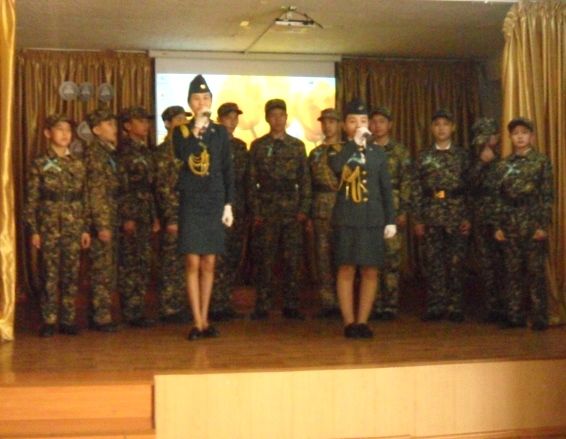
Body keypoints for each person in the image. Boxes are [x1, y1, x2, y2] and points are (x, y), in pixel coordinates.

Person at [172, 74, 235, 341]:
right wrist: (196, 130)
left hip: (213, 200)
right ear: (190, 103)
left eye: (206, 98)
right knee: (192, 261)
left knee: (209, 261)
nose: (202, 102)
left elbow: (227, 168)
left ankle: (205, 319)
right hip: (192, 200)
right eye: (196, 99)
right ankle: (196, 321)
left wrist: (229, 203)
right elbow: (183, 155)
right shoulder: (182, 132)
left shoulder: (220, 132)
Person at [329, 99, 396, 339]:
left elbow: (385, 188)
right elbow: (336, 167)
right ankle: (349, 322)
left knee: (370, 270)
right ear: (344, 125)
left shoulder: (378, 153)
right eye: (353, 121)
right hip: (347, 218)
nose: (359, 125)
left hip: (372, 218)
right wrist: (353, 145)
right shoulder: (338, 150)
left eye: (363, 121)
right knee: (346, 268)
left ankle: (363, 321)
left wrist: (390, 219)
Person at [25, 114, 91, 337]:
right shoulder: (40, 163)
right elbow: (31, 199)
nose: (65, 134)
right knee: (49, 274)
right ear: (48, 133)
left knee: (71, 274)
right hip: (49, 226)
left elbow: (84, 198)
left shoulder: (78, 164)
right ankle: (49, 319)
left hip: (73, 225)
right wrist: (34, 230)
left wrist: (85, 228)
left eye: (68, 130)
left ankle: (68, 319)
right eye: (59, 129)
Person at [247, 99, 311, 320]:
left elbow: (305, 180)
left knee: (292, 259)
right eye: (273, 115)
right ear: (267, 118)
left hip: (292, 209)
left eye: (281, 115)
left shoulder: (297, 145)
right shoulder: (258, 146)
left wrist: (304, 209)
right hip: (266, 208)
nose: (277, 119)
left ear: (286, 118)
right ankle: (262, 305)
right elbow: (251, 182)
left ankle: (291, 305)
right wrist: (256, 211)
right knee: (264, 259)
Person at [412, 109, 471, 322]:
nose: (441, 128)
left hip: (456, 213)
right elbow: (416, 188)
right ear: (431, 128)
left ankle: (455, 306)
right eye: (437, 124)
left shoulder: (463, 156)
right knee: (433, 262)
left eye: (445, 124)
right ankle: (436, 305)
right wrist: (418, 219)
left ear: (453, 127)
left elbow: (470, 189)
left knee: (456, 262)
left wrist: (468, 217)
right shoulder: (423, 156)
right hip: (431, 213)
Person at [494, 117, 554, 331]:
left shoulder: (541, 162)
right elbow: (498, 197)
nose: (520, 137)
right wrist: (498, 226)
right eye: (515, 133)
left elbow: (547, 196)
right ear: (510, 137)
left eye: (524, 133)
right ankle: (514, 314)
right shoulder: (504, 165)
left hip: (532, 222)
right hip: (510, 222)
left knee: (535, 272)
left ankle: (539, 316)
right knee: (512, 272)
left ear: (531, 136)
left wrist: (542, 225)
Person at [117, 107, 159, 327]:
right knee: (131, 263)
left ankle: (138, 309)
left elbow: (150, 187)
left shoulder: (147, 151)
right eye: (140, 121)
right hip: (132, 213)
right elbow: (123, 187)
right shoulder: (124, 152)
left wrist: (154, 216)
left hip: (145, 212)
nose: (145, 125)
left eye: (147, 121)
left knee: (142, 262)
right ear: (127, 125)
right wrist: (127, 216)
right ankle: (130, 311)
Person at [368, 106, 412, 320]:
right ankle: (374, 304)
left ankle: (390, 305)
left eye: (382, 121)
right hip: (369, 209)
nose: (377, 126)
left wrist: (402, 211)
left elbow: (406, 182)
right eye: (374, 121)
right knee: (371, 258)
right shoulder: (364, 149)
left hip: (391, 208)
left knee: (391, 259)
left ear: (390, 125)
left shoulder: (400, 151)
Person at [209, 102, 249, 321]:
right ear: (219, 119)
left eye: (235, 117)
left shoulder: (241, 147)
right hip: (217, 207)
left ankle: (224, 301)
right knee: (218, 255)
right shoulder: (211, 143)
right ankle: (214, 303)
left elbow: (246, 179)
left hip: (237, 206)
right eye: (228, 117)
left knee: (233, 254)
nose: (232, 121)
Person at [83, 108, 120, 332]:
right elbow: (95, 192)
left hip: (110, 216)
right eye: (109, 124)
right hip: (102, 220)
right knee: (102, 270)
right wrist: (101, 225)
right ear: (96, 130)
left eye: (114, 124)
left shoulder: (108, 152)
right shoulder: (95, 154)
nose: (114, 128)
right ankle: (100, 317)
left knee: (107, 268)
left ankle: (102, 313)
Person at [153, 105, 191, 323]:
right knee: (172, 263)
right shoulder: (164, 151)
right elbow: (164, 188)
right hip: (174, 215)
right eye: (178, 119)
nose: (183, 123)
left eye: (185, 119)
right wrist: (171, 217)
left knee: (187, 261)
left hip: (191, 213)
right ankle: (170, 308)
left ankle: (183, 305)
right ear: (167, 124)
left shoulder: (189, 147)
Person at [468, 117, 504, 323]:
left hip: (501, 219)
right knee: (487, 264)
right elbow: (468, 184)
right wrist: (482, 163)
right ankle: (492, 307)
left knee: (505, 263)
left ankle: (509, 306)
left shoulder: (505, 161)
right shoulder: (474, 161)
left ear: (496, 138)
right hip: (481, 218)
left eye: (488, 138)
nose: (484, 142)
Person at [307, 108, 342, 318]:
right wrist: (309, 214)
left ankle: (345, 300)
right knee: (323, 257)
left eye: (332, 122)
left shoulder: (348, 150)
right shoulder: (316, 153)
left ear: (339, 124)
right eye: (324, 122)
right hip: (321, 208)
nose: (327, 126)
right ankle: (328, 303)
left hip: (343, 208)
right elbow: (309, 185)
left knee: (343, 256)